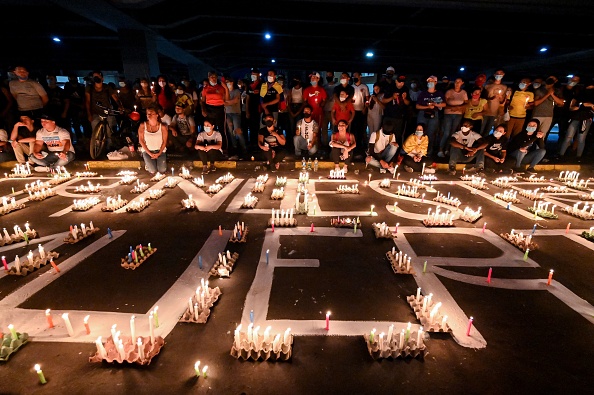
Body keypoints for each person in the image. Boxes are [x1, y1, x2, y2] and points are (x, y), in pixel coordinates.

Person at [556, 82, 594, 162]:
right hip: (575, 118)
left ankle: (578, 157)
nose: (589, 90)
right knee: (568, 136)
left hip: (586, 119)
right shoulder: (578, 96)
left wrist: (590, 105)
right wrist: (579, 106)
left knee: (581, 138)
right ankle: (561, 154)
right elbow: (571, 107)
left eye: (591, 89)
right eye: (588, 88)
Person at [85, 70, 123, 150]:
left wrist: (120, 106)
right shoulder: (89, 88)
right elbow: (87, 101)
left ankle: (110, 146)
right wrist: (89, 114)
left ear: (102, 78)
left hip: (107, 111)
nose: (96, 78)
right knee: (95, 129)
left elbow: (115, 97)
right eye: (94, 77)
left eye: (97, 76)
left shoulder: (107, 87)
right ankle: (97, 147)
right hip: (95, 112)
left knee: (109, 130)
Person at [416, 75, 446, 157]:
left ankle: (428, 152)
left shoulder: (439, 93)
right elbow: (417, 106)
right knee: (420, 133)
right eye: (429, 81)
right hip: (423, 113)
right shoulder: (423, 93)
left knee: (431, 133)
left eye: (432, 81)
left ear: (436, 82)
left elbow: (444, 104)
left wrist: (436, 104)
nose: (430, 83)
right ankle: (418, 152)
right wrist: (427, 107)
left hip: (434, 114)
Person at [438, 78, 468, 158]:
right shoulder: (449, 92)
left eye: (459, 81)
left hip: (458, 114)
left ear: (462, 83)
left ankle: (448, 149)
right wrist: (451, 107)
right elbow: (443, 103)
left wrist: (458, 107)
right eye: (456, 81)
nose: (457, 83)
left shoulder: (464, 93)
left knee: (453, 133)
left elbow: (466, 104)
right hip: (448, 113)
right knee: (446, 132)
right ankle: (440, 149)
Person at [531, 76, 563, 149]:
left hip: (549, 116)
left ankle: (538, 151)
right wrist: (548, 94)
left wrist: (552, 94)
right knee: (532, 133)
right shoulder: (540, 90)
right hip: (537, 115)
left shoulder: (557, 91)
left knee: (542, 134)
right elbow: (536, 103)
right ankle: (528, 150)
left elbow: (561, 103)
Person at [201, 71, 229, 152]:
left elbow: (226, 99)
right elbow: (202, 101)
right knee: (209, 129)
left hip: (219, 109)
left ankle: (224, 148)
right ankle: (209, 147)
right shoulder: (205, 88)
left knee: (221, 129)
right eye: (211, 77)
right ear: (208, 78)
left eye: (215, 77)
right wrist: (203, 110)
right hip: (209, 109)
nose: (213, 78)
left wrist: (226, 88)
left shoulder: (221, 87)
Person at [138, 104, 168, 175]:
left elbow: (164, 142)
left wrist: (159, 153)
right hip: (147, 151)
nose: (149, 115)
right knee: (152, 171)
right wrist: (150, 153)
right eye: (148, 114)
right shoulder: (143, 125)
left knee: (162, 170)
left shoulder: (162, 127)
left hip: (160, 151)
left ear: (157, 115)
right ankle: (149, 164)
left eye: (151, 113)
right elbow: (141, 140)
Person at [381, 75, 410, 146]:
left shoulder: (405, 89)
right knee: (386, 134)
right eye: (400, 82)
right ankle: (384, 150)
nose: (401, 84)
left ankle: (396, 152)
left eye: (403, 82)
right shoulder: (390, 88)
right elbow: (383, 100)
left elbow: (408, 103)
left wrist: (404, 99)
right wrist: (392, 97)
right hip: (389, 115)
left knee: (398, 135)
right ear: (396, 81)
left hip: (399, 117)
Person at [224, 76, 247, 159]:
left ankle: (244, 148)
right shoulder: (224, 92)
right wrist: (228, 102)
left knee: (237, 130)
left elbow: (235, 101)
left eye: (228, 82)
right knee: (230, 131)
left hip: (236, 113)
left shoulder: (236, 91)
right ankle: (234, 147)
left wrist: (227, 102)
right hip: (227, 113)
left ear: (232, 82)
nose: (227, 84)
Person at [62, 74, 90, 142]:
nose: (73, 80)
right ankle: (79, 140)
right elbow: (67, 99)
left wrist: (83, 107)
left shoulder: (81, 86)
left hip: (83, 108)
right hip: (73, 109)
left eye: (74, 78)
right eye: (71, 78)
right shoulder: (67, 87)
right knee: (76, 125)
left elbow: (85, 97)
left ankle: (87, 139)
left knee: (85, 124)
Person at [480, 69, 507, 136]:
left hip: (495, 112)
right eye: (497, 73)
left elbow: (503, 101)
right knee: (480, 130)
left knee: (488, 131)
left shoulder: (504, 87)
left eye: (501, 73)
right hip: (485, 111)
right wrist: (490, 98)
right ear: (494, 75)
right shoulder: (487, 86)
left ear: (503, 74)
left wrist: (501, 99)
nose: (499, 75)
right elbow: (483, 98)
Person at [302, 72, 327, 137]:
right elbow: (304, 101)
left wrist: (321, 105)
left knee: (318, 128)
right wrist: (307, 109)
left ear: (318, 79)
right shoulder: (307, 90)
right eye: (311, 77)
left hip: (318, 112)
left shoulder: (321, 90)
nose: (312, 79)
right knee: (309, 128)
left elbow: (324, 100)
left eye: (314, 77)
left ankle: (318, 143)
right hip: (309, 113)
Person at [351, 71, 370, 150]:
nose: (354, 77)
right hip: (353, 111)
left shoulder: (364, 87)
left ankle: (360, 145)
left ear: (360, 76)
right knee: (353, 128)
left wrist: (365, 108)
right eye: (353, 76)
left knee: (361, 128)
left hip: (361, 111)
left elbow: (367, 99)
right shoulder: (351, 87)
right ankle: (352, 144)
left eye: (356, 76)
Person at [246, 68, 262, 146]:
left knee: (259, 127)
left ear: (258, 75)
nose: (253, 76)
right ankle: (252, 144)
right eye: (252, 74)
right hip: (251, 108)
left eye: (255, 74)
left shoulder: (262, 84)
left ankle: (259, 144)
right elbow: (248, 98)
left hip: (259, 108)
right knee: (252, 127)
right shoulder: (249, 85)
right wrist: (247, 111)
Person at [288, 76, 305, 143]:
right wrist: (290, 111)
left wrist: (299, 111)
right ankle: (292, 140)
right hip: (292, 107)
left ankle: (298, 140)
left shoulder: (302, 90)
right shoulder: (291, 90)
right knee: (292, 125)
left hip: (300, 107)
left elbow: (304, 102)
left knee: (298, 125)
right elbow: (289, 102)